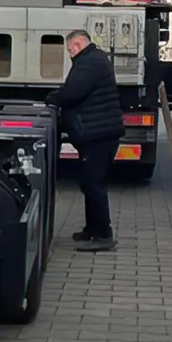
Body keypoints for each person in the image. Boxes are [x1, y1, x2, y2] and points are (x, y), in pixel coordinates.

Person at [45, 29, 124, 252]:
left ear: (77, 45)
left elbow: (71, 93)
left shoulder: (88, 63)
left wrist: (52, 98)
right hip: (98, 132)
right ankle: (92, 229)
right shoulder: (94, 59)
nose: (70, 53)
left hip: (98, 134)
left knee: (94, 184)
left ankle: (103, 235)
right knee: (89, 183)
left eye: (70, 48)